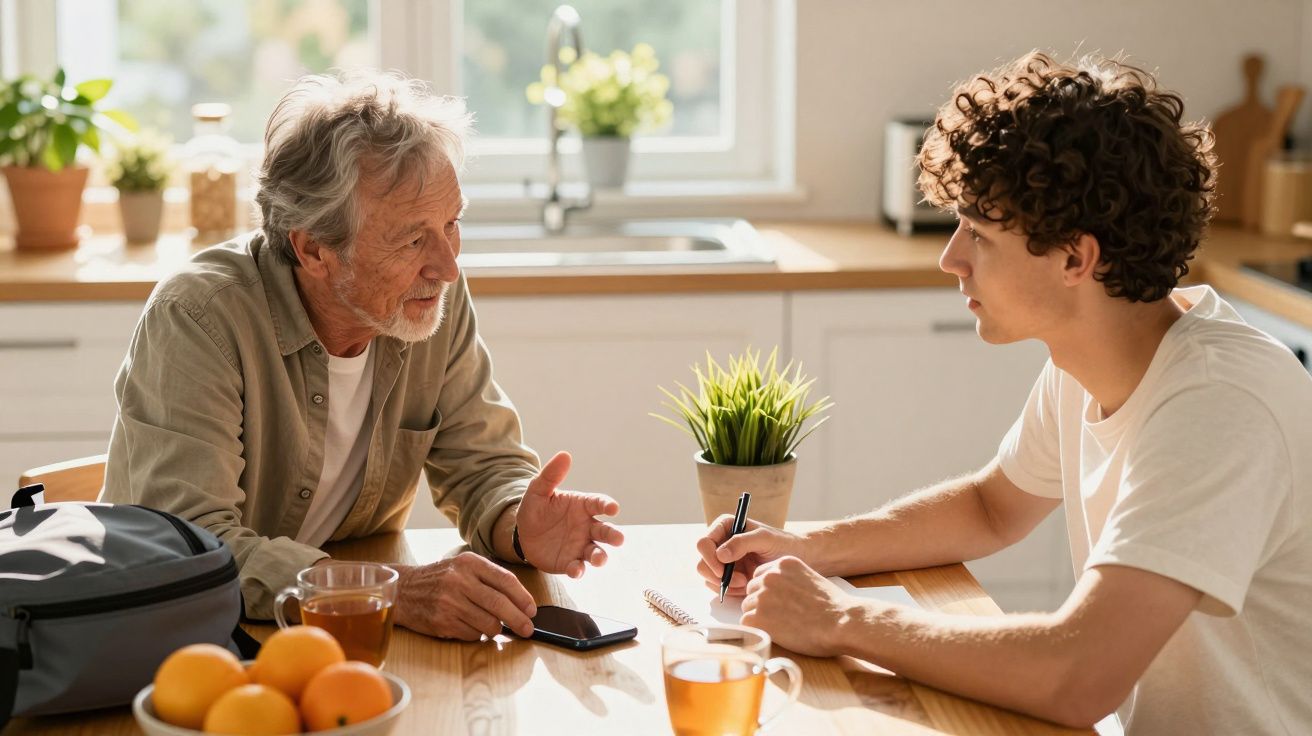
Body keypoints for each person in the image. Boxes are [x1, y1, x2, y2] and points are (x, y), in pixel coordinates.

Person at [695, 51, 1312, 732]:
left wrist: (842, 619)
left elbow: (1079, 676)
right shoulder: (1092, 361)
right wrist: (808, 548)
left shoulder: (1218, 405)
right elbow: (992, 508)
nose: (949, 257)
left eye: (980, 234)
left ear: (1077, 258)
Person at [103, 70, 624, 642]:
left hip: (341, 641)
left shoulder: (426, 297)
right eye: (411, 239)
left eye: (452, 224)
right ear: (314, 249)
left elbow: (483, 464)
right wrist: (384, 590)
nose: (447, 266)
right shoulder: (199, 317)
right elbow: (192, 546)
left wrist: (518, 522)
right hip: (183, 642)